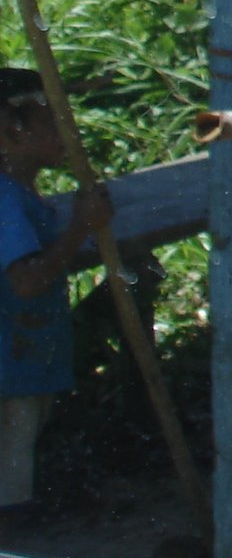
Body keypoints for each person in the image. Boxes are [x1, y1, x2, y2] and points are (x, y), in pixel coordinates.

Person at [0, 68, 113, 530]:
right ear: (13, 132)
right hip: (11, 362)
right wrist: (79, 230)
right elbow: (25, 281)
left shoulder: (23, 197)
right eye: (55, 122)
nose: (68, 132)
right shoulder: (5, 202)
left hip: (26, 359)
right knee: (12, 457)